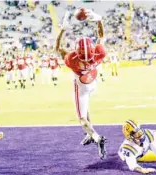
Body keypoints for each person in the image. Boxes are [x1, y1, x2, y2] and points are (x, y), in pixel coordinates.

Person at [56, 9, 107, 159]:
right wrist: (99, 19)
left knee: (82, 118)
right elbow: (101, 36)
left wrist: (62, 30)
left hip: (82, 85)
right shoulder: (99, 53)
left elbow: (57, 48)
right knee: (86, 106)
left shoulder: (72, 60)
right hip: (93, 80)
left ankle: (97, 138)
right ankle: (90, 134)